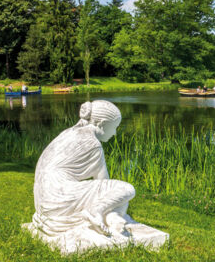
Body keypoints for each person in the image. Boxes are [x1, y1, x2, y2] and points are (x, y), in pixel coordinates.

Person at [28, 101, 135, 245]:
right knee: (126, 190)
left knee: (115, 200)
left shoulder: (69, 132)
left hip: (43, 199)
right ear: (102, 123)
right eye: (114, 127)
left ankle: (112, 218)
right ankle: (96, 211)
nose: (115, 133)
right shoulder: (93, 144)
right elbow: (104, 182)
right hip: (59, 196)